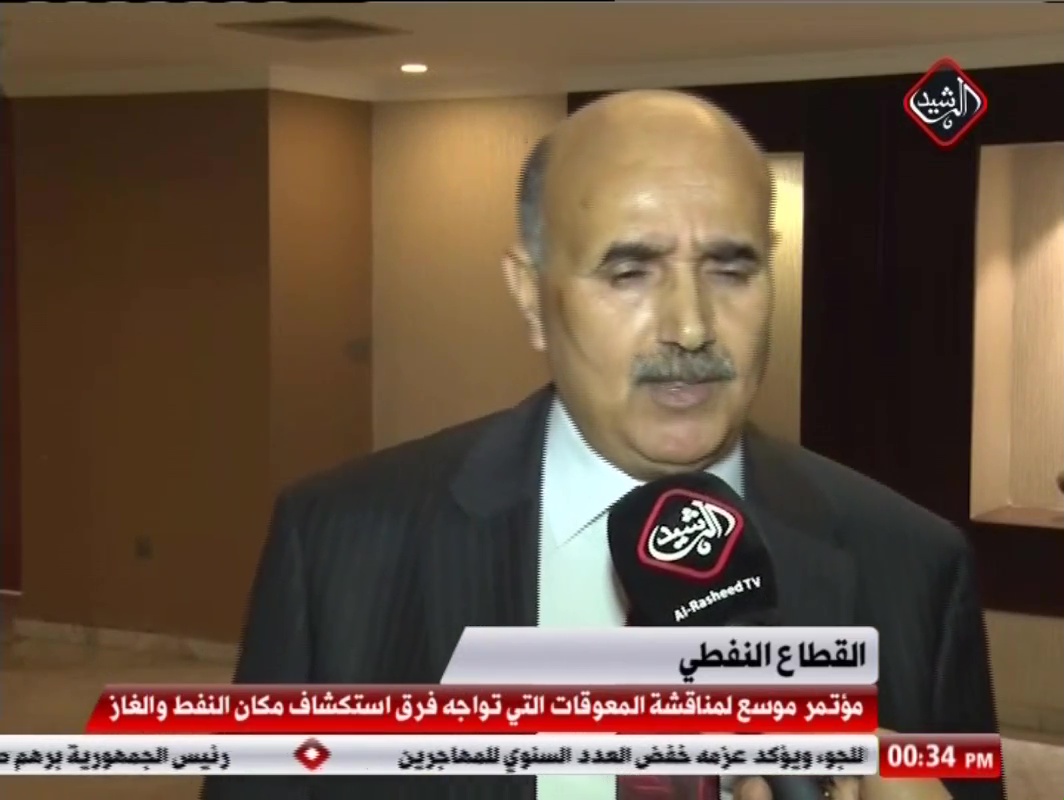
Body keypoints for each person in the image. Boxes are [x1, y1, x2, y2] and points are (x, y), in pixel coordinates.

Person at [202, 90, 1004, 800]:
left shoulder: (911, 567)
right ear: (530, 296)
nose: (690, 327)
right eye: (630, 272)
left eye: (730, 269)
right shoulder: (340, 544)